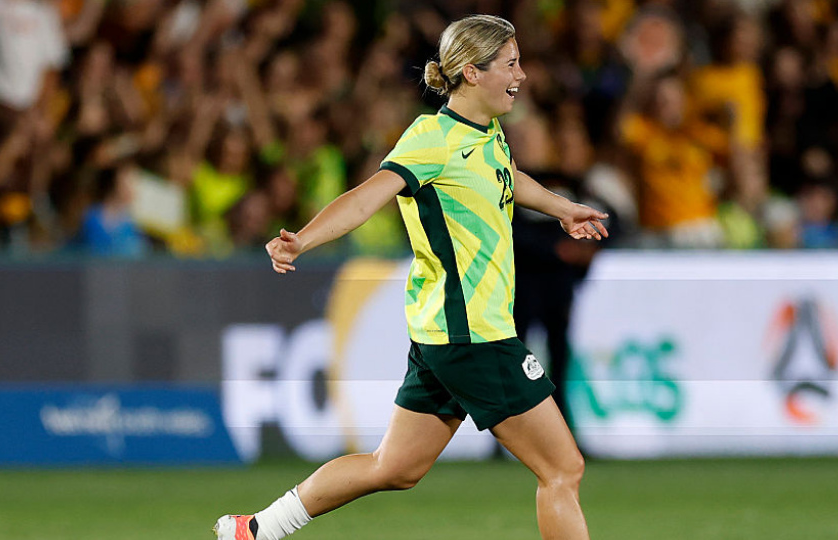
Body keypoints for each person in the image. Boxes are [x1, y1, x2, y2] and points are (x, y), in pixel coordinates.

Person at [213, 15, 608, 540]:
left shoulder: (485, 132)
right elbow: (366, 198)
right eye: (511, 64)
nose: (524, 75)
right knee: (562, 469)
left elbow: (505, 173)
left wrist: (561, 209)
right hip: (475, 336)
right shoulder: (432, 139)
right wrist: (302, 240)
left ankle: (258, 528)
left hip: (444, 335)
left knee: (393, 467)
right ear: (471, 72)